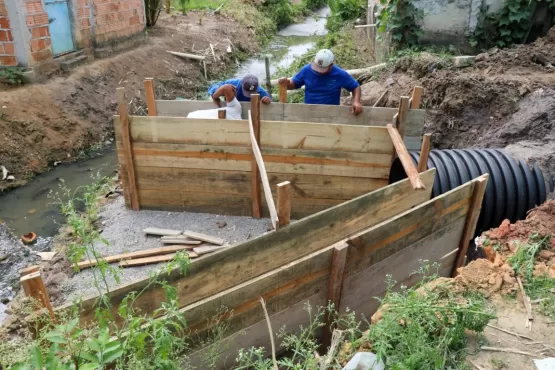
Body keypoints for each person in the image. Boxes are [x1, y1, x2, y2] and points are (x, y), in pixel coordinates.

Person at [278, 49, 363, 115]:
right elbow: (294, 84)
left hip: (331, 113)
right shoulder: (306, 70)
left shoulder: (339, 74)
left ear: (331, 65)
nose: (319, 71)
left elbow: (355, 87)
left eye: (323, 69)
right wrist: (287, 83)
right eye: (318, 68)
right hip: (309, 112)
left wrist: (356, 101)